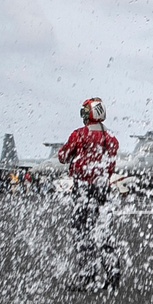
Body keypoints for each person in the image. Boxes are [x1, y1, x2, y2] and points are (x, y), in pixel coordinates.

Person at [58, 98, 120, 289]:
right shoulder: (110, 138)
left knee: (82, 232)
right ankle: (112, 274)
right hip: (103, 189)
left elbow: (63, 156)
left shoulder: (79, 135)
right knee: (102, 230)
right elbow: (110, 164)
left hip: (84, 188)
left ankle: (88, 276)